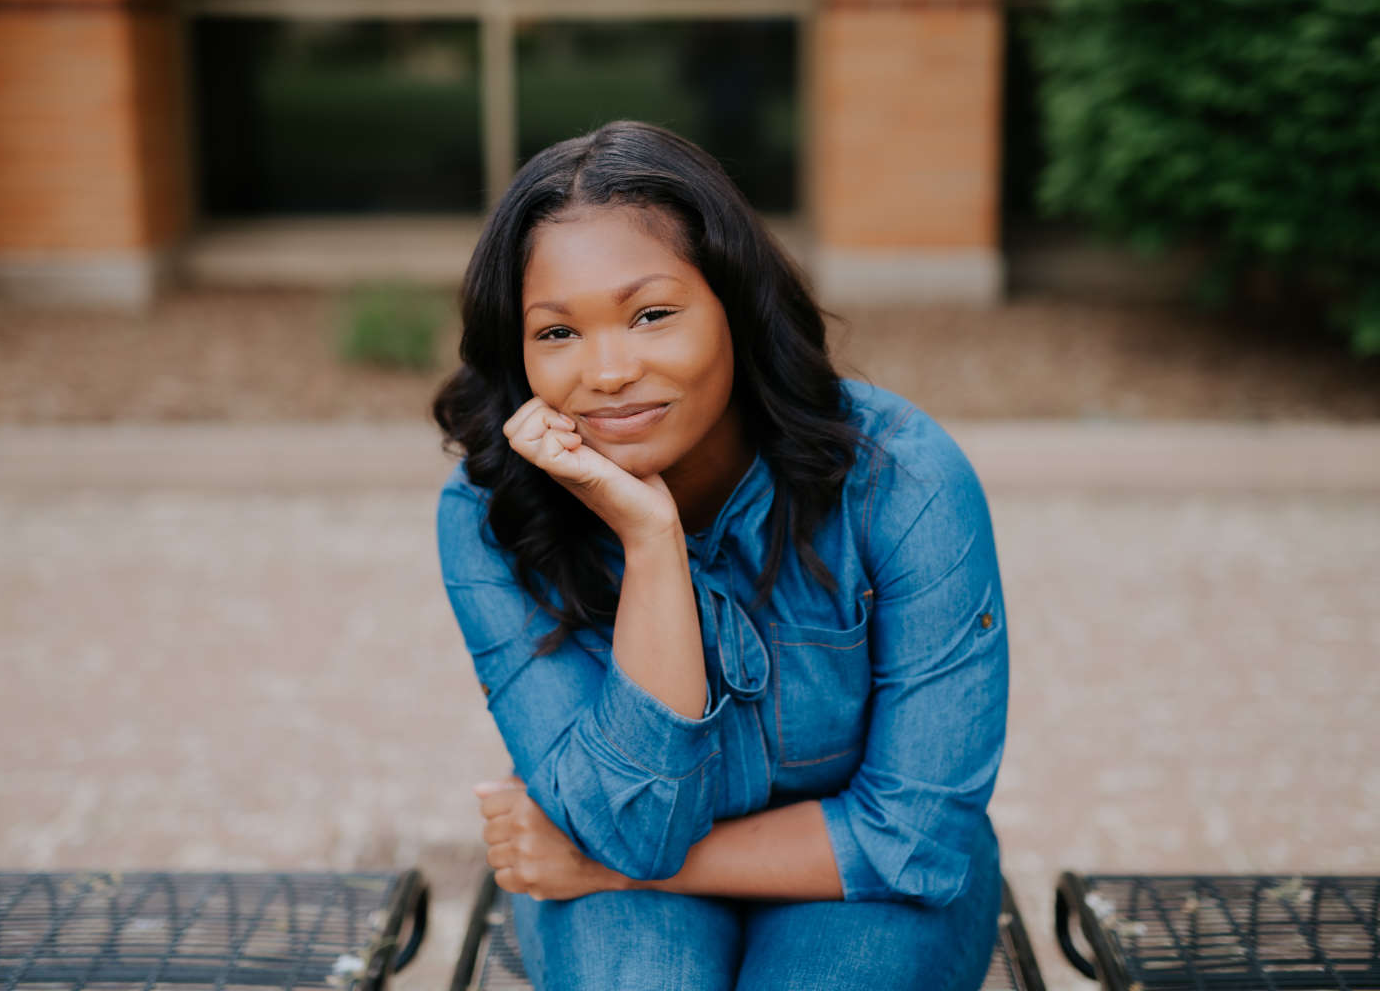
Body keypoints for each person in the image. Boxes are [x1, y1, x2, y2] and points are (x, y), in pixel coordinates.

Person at [432, 120, 1009, 991]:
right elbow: (635, 825)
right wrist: (652, 543)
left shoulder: (902, 480)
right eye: (557, 333)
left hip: (866, 890)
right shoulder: (492, 512)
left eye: (652, 314)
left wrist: (596, 867)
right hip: (634, 860)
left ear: (736, 306)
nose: (610, 370)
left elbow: (915, 837)